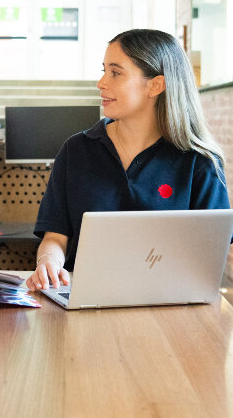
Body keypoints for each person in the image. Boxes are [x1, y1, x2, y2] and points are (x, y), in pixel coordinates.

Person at [27, 28, 230, 292]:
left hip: (170, 308)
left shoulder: (200, 162)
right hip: (85, 300)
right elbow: (55, 237)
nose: (101, 83)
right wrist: (49, 263)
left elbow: (215, 252)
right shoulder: (76, 150)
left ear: (155, 85)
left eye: (115, 72)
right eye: (103, 70)